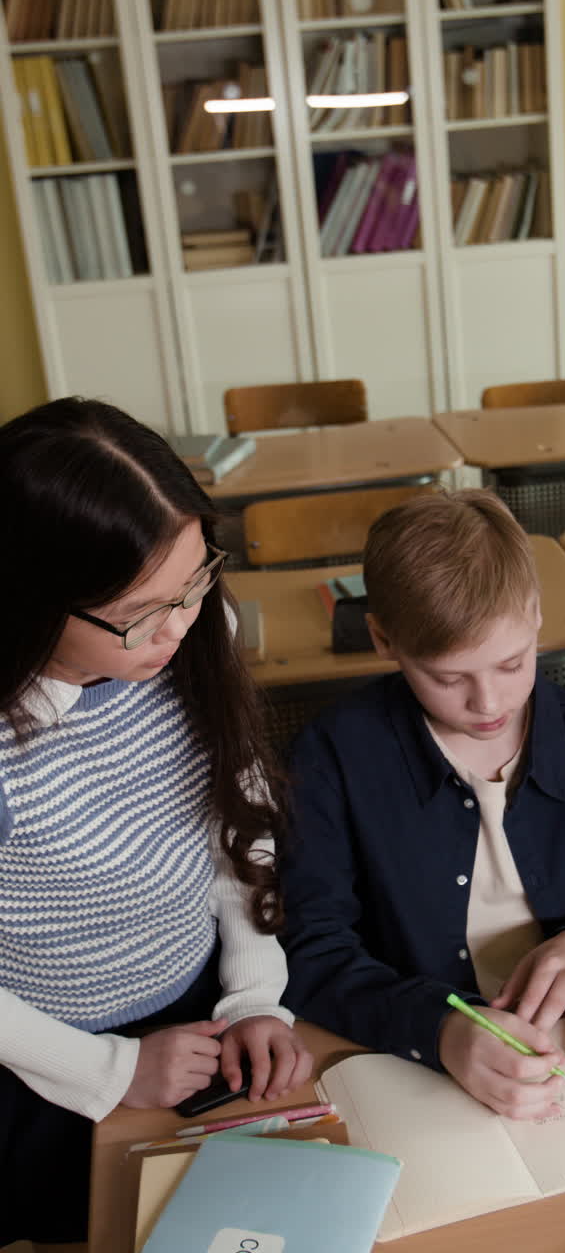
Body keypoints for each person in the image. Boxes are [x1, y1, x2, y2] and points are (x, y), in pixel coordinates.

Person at [0, 398, 312, 1248]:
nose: (181, 625)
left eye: (195, 581)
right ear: (30, 602)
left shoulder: (196, 633)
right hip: (51, 1059)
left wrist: (255, 993)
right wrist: (115, 1070)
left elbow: (235, 830)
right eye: (143, 613)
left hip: (203, 1003)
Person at [280, 489, 565, 1120]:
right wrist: (436, 1028)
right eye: (448, 677)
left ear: (538, 614)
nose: (489, 704)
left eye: (512, 664)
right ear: (383, 639)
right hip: (408, 1058)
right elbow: (312, 949)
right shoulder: (332, 756)